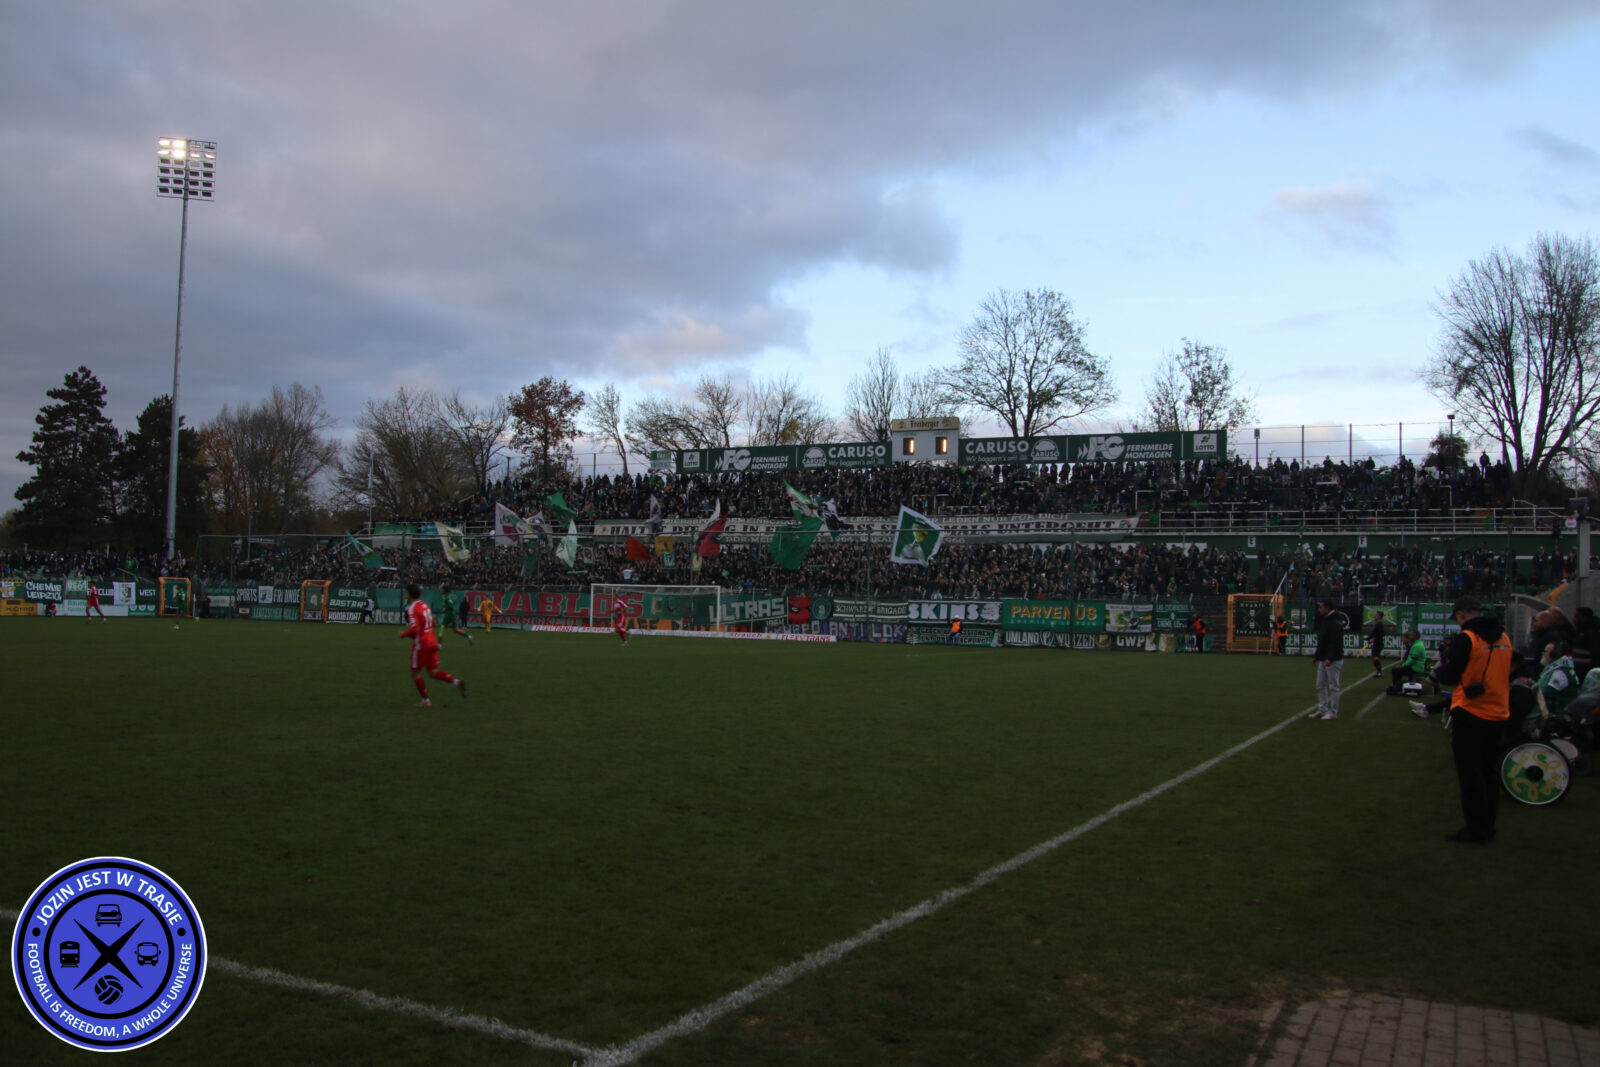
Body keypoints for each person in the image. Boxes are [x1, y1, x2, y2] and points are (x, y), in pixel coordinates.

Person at [1432, 595, 1513, 844]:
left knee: (1470, 773)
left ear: (1462, 614)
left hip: (1470, 711)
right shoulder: (1504, 637)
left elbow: (1450, 675)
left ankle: (1476, 829)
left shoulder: (1466, 638)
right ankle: (1488, 824)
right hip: (1499, 711)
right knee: (1489, 771)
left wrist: (1439, 673)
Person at [400, 584, 466, 708]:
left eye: (406, 592)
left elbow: (414, 630)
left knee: (415, 673)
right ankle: (456, 682)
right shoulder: (425, 605)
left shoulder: (412, 609)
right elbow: (433, 622)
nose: (405, 594)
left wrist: (403, 634)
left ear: (409, 594)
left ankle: (426, 700)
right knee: (432, 672)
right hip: (432, 640)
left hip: (422, 643)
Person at [1310, 599, 1346, 720]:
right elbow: (1322, 641)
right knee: (1320, 685)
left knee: (1334, 686)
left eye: (1321, 607)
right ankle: (1323, 709)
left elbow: (1336, 642)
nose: (1319, 609)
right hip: (1324, 658)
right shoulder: (1326, 620)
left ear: (1327, 608)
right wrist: (1317, 656)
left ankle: (1333, 712)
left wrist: (1331, 658)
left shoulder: (1335, 622)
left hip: (1333, 660)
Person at [1388, 629, 1427, 697]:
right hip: (1415, 667)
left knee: (1396, 670)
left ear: (1415, 636)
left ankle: (1397, 688)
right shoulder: (1417, 644)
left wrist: (1403, 665)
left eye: (1411, 634)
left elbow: (1412, 660)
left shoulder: (1417, 646)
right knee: (1397, 669)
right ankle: (1398, 686)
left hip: (1416, 668)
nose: (1409, 635)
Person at [1367, 610, 1387, 677]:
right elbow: (1374, 634)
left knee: (1375, 656)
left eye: (1376, 615)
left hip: (1378, 643)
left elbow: (1382, 634)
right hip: (1377, 643)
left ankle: (1379, 672)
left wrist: (1375, 638)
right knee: (1374, 657)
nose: (1374, 616)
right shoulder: (1377, 625)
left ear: (1379, 616)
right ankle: (1378, 671)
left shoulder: (1380, 625)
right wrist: (1368, 639)